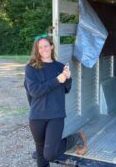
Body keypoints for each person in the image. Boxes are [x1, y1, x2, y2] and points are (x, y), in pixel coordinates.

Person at [24, 35, 87, 167]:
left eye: (46, 46)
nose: (43, 49)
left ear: (51, 46)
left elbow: (66, 89)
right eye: (40, 47)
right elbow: (34, 91)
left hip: (55, 115)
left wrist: (68, 78)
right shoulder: (31, 68)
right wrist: (57, 80)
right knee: (41, 154)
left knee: (50, 154)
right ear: (37, 50)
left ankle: (75, 138)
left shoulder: (60, 67)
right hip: (37, 116)